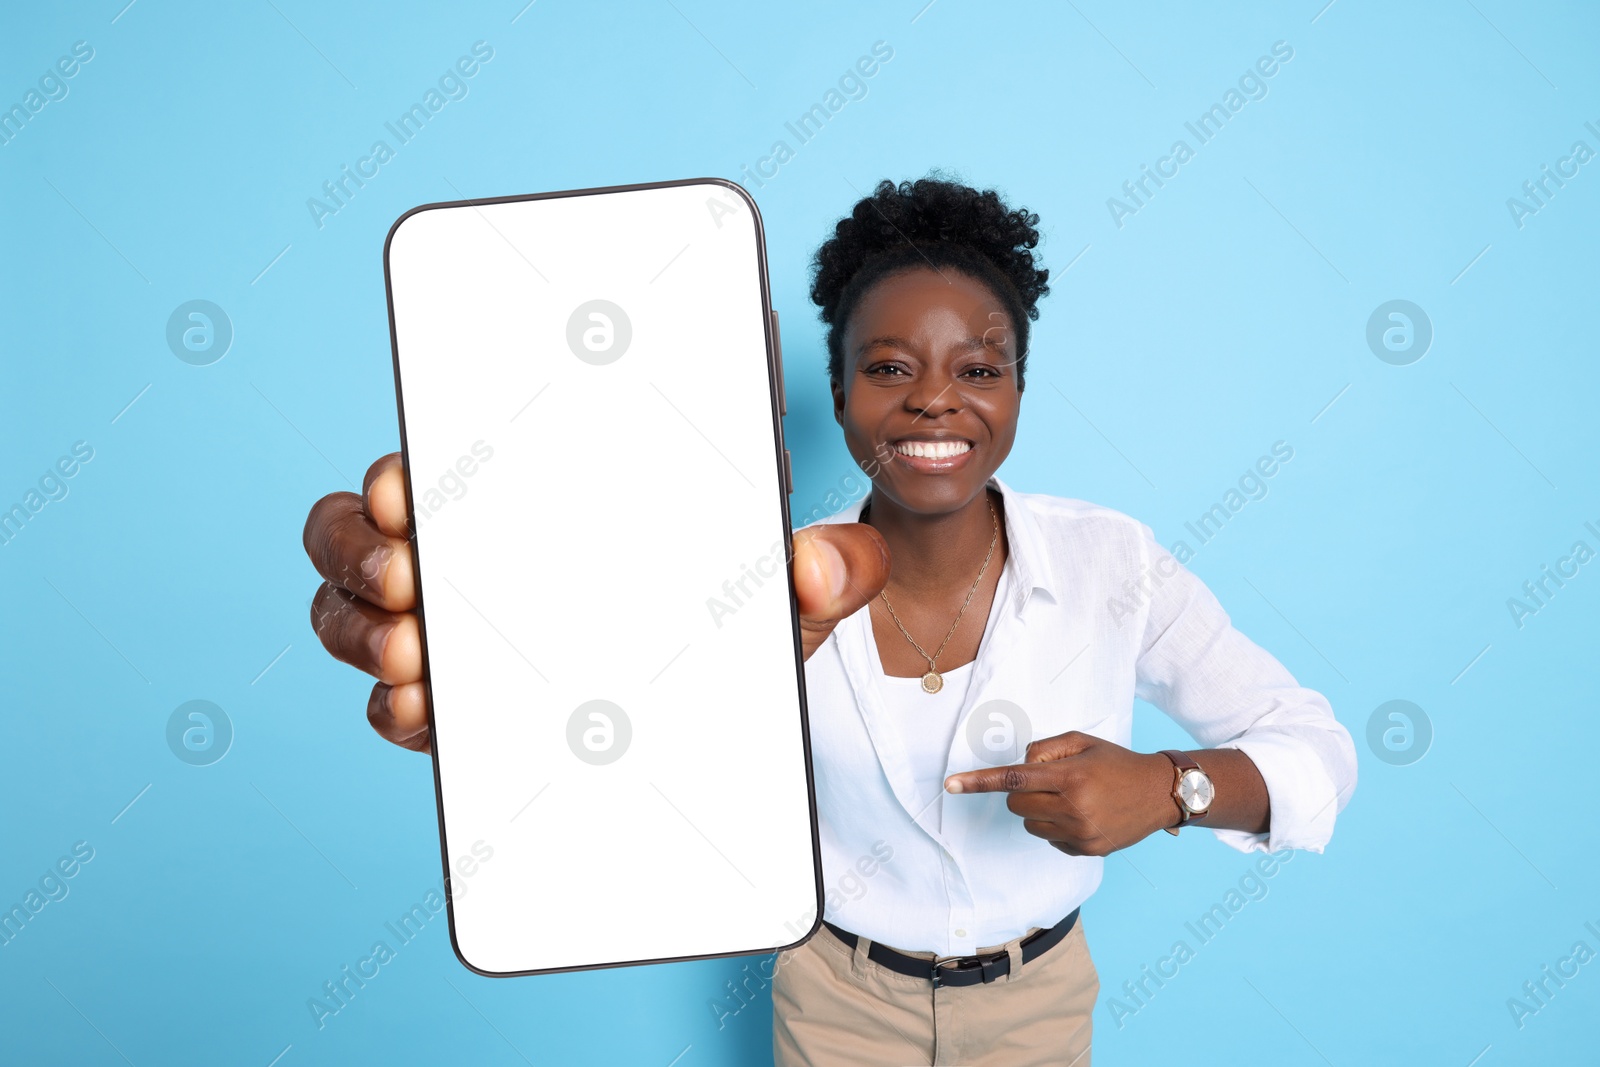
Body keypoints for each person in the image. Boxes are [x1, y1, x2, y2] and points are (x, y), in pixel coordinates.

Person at [302, 176, 1357, 1066]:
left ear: (1020, 389)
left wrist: (1172, 787)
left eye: (978, 369)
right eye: (889, 367)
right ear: (842, 390)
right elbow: (640, 757)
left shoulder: (1110, 561)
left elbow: (1314, 747)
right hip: (834, 1005)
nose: (934, 400)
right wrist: (521, 697)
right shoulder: (759, 582)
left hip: (1038, 1003)